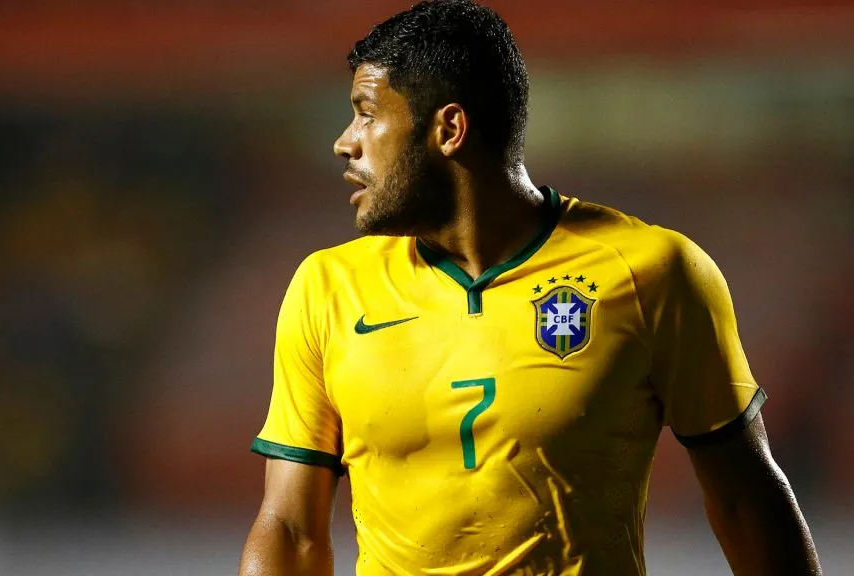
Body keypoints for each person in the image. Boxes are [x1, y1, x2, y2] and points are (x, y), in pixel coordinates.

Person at [239, 1, 821, 574]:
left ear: (449, 129)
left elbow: (746, 500)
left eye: (366, 114)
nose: (346, 141)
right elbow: (290, 529)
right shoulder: (327, 288)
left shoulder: (653, 270)